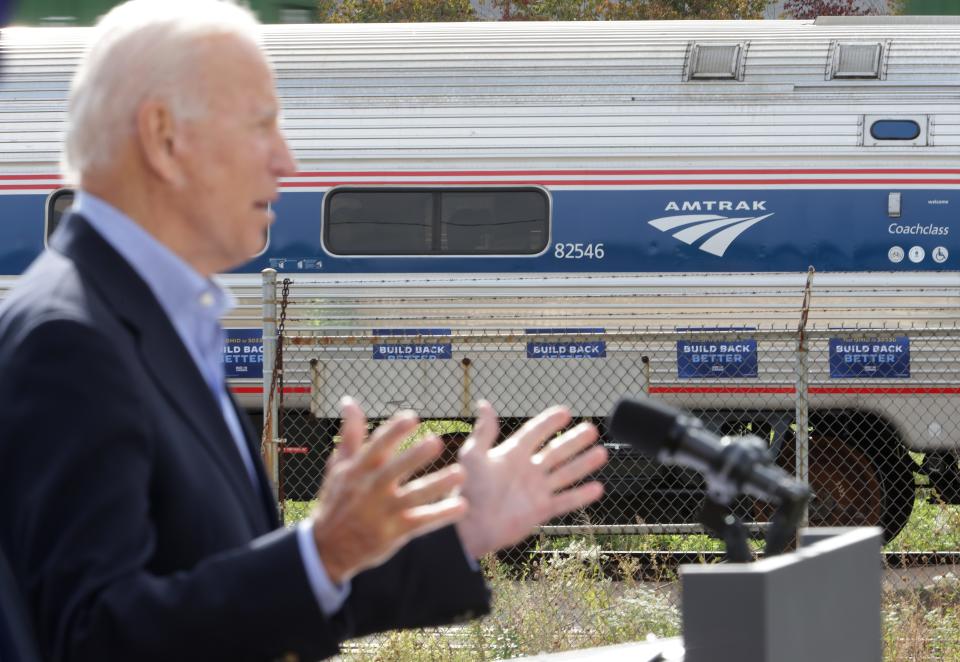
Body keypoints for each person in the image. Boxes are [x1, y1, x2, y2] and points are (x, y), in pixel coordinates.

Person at [0, 2, 608, 661]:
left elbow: (241, 594)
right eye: (262, 125)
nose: (286, 160)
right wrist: (319, 552)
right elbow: (93, 639)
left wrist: (460, 532)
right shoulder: (70, 342)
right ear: (163, 138)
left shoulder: (158, 323)